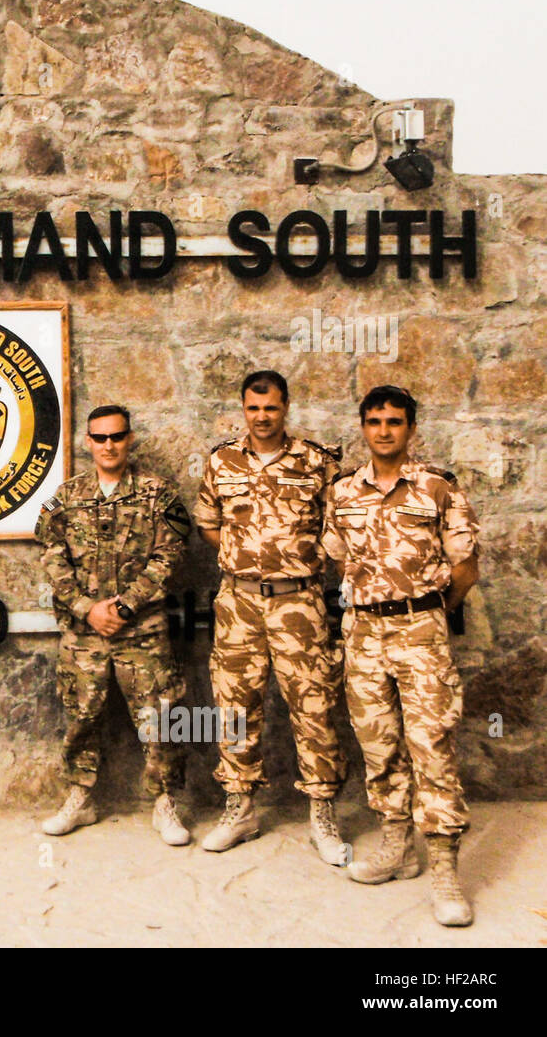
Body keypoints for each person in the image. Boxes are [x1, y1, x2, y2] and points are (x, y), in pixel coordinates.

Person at [324, 385, 479, 926]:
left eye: (394, 421)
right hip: (363, 632)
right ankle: (397, 844)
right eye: (373, 421)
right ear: (363, 428)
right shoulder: (343, 493)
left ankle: (443, 865)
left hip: (421, 632)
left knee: (431, 743)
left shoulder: (437, 489)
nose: (383, 430)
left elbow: (465, 568)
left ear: (412, 428)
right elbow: (339, 557)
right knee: (378, 742)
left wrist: (429, 610)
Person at [193, 370, 348, 864]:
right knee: (235, 706)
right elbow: (209, 524)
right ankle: (240, 807)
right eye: (254, 408)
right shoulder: (222, 460)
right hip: (238, 602)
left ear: (286, 408)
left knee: (314, 706)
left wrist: (294, 564)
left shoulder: (317, 462)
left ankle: (322, 814)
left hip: (298, 603)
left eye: (272, 408)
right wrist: (247, 562)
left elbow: (338, 527)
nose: (263, 417)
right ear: (244, 408)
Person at [35, 405, 193, 844]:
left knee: (160, 717)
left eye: (117, 437)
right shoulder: (64, 497)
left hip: (142, 630)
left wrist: (125, 607)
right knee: (81, 716)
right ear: (87, 442)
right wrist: (86, 607)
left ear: (130, 439)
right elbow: (51, 555)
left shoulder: (158, 494)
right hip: (84, 633)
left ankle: (165, 803)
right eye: (100, 438)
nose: (109, 445)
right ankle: (80, 797)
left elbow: (170, 555)